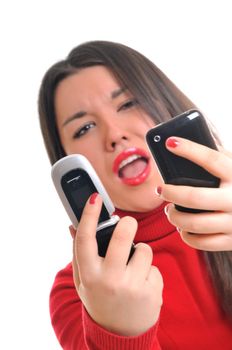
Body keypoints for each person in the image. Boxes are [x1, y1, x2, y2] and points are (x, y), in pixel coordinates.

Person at [38, 40, 232, 349]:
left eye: (127, 104)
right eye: (84, 128)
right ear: (66, 159)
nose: (114, 134)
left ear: (165, 104)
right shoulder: (79, 292)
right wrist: (120, 334)